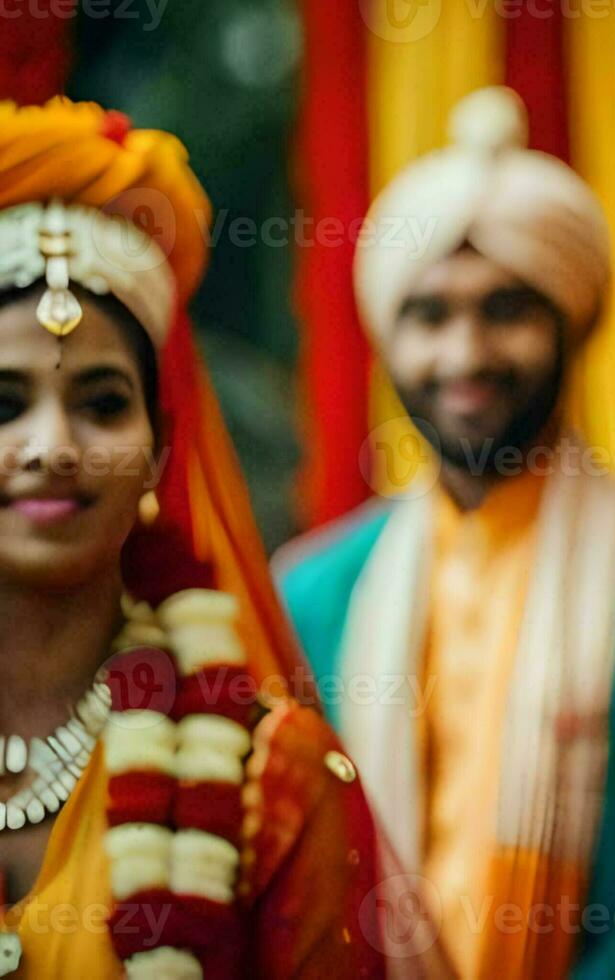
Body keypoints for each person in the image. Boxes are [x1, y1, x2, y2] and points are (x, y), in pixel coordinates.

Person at [274, 87, 615, 977]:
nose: (465, 356)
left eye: (506, 309)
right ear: (387, 336)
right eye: (429, 316)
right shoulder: (312, 593)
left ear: (571, 323)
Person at [0, 99, 420, 976]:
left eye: (102, 404)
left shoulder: (267, 781)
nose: (52, 447)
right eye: (5, 405)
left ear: (161, 447)